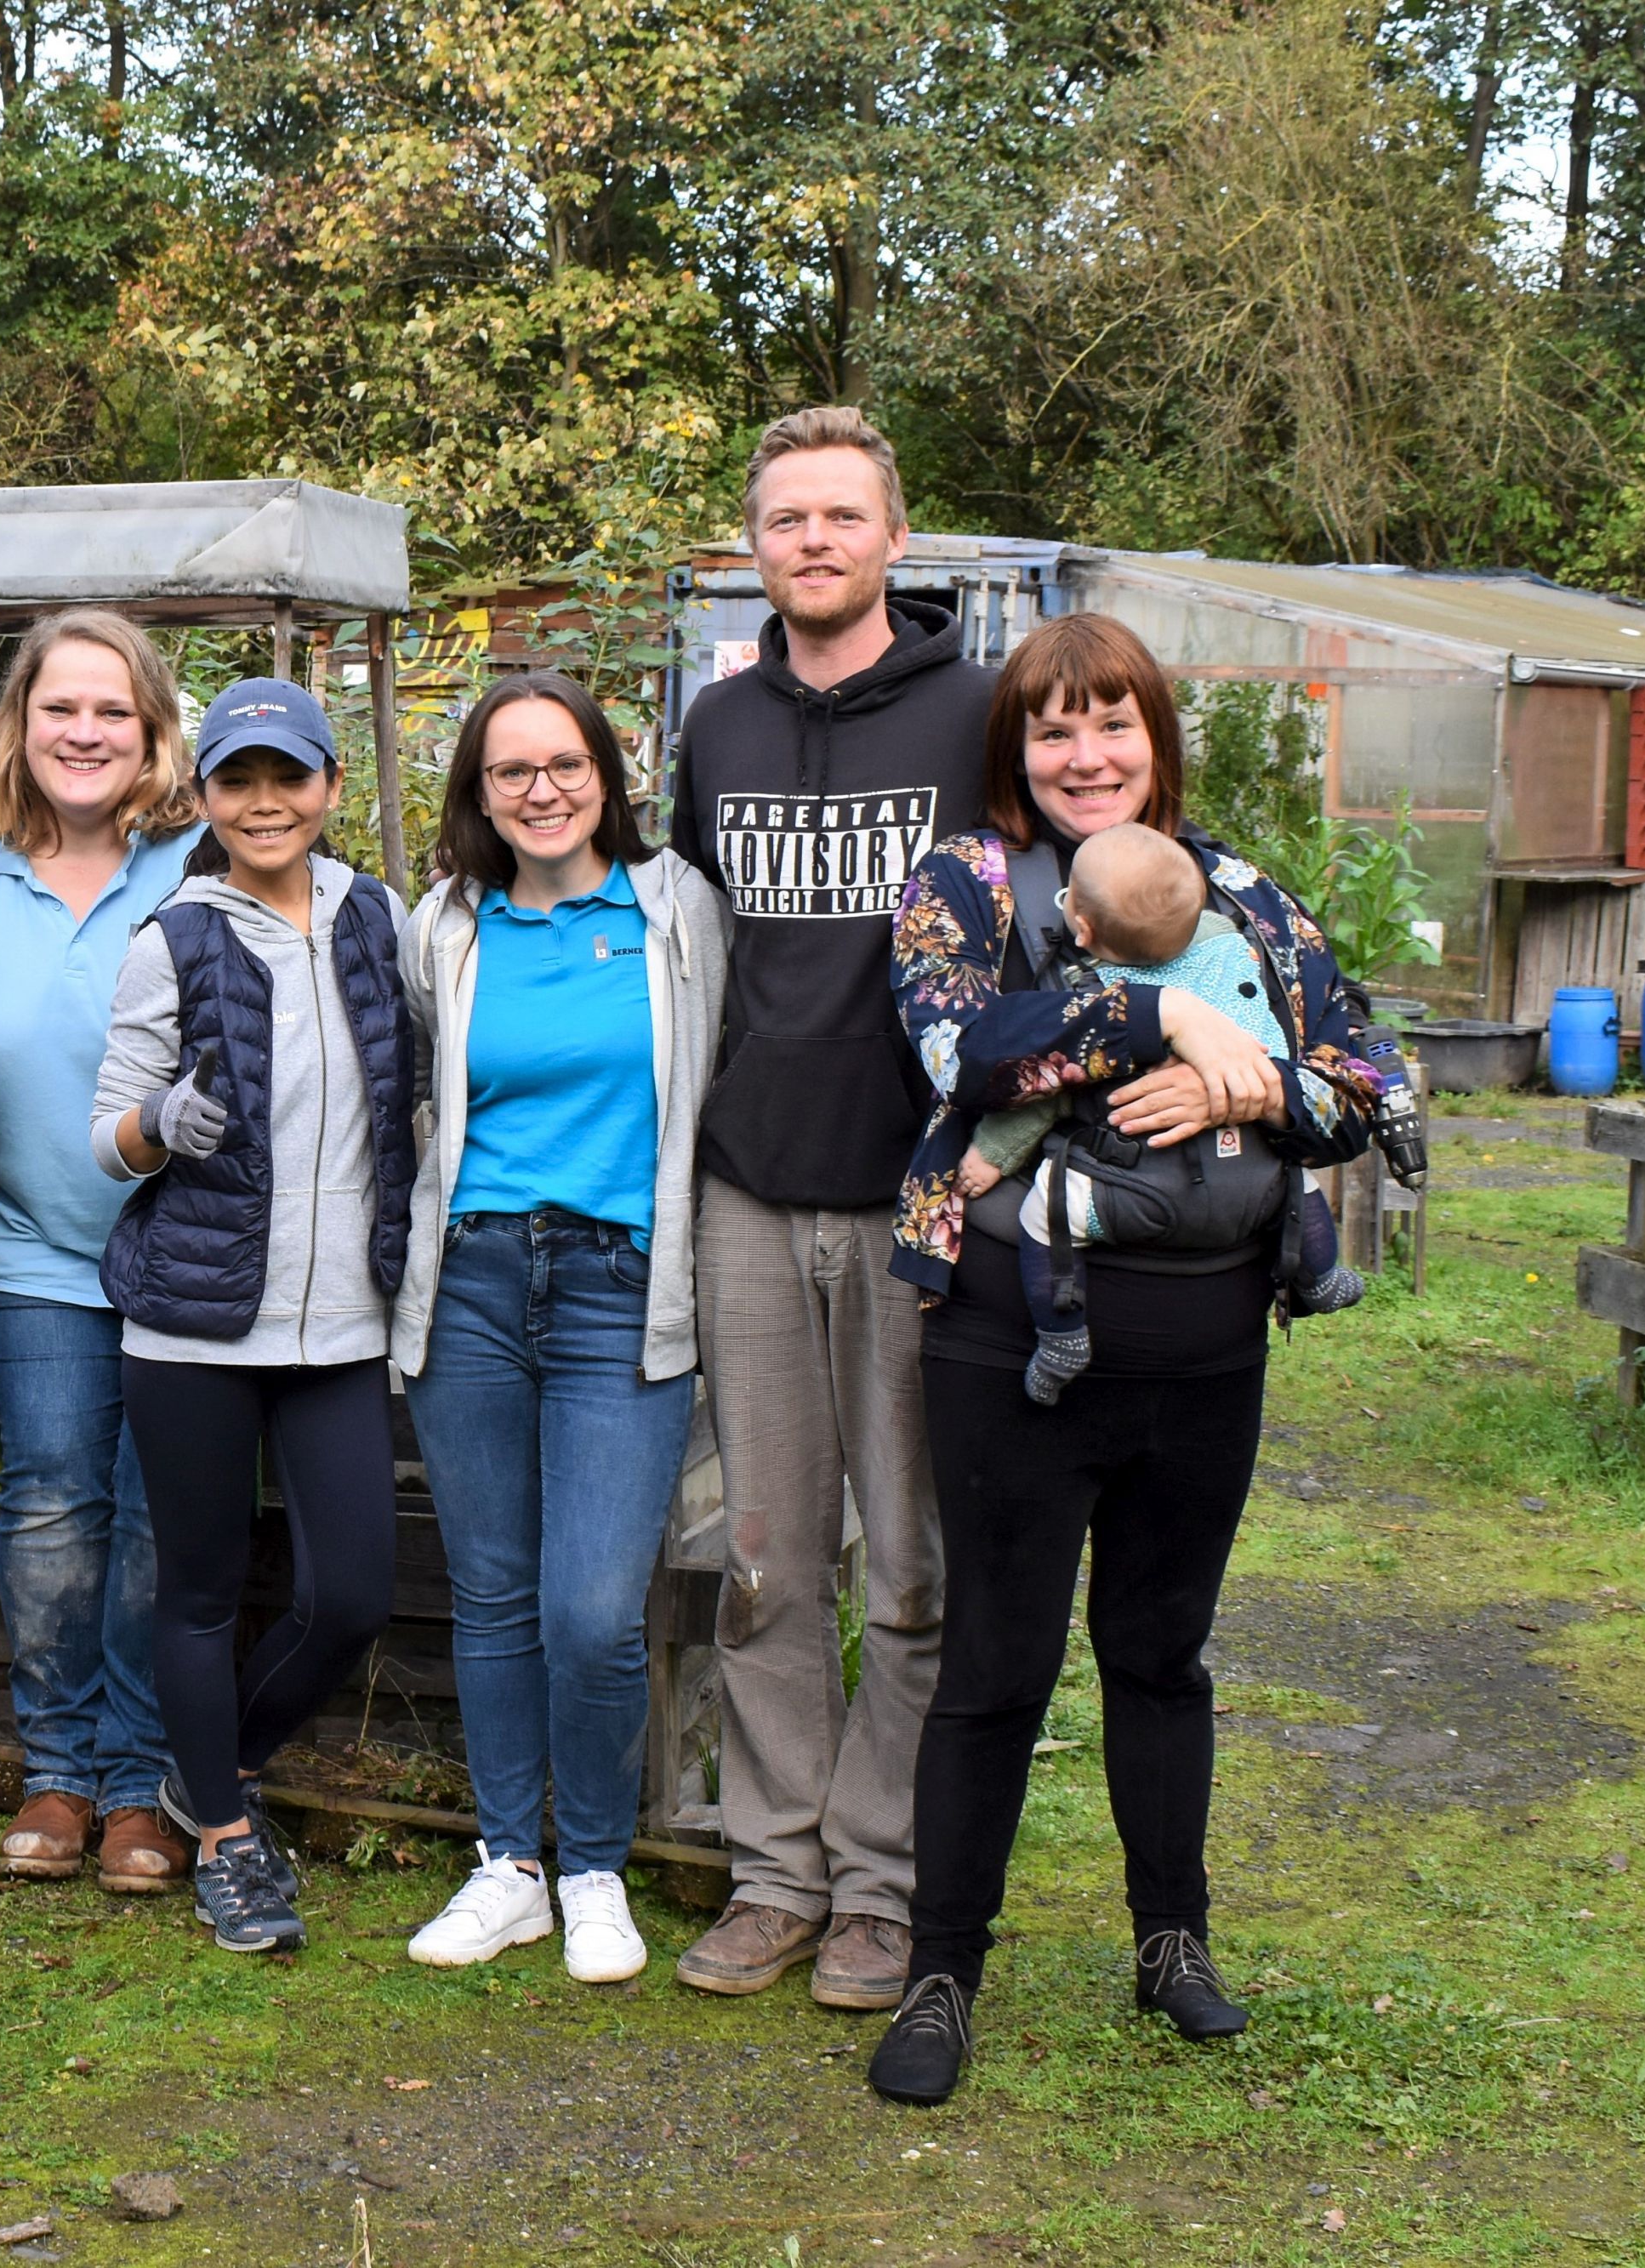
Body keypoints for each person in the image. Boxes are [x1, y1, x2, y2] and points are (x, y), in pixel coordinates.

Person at [866, 614, 1383, 2105]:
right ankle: (942, 1970)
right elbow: (960, 1050)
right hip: (1009, 1339)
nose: (1086, 755)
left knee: (1162, 1653)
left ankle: (1173, 1943)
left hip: (1209, 1348)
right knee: (997, 1665)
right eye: (1053, 729)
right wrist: (1157, 1014)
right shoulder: (963, 883)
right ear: (1015, 751)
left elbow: (1369, 1077)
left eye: (1114, 725)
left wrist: (1263, 1078)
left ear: (1157, 738)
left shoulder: (1245, 895)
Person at [666, 406, 989, 2015]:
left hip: (917, 1195)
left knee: (911, 1567)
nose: (812, 541)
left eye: (840, 516)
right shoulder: (715, 729)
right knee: (768, 1559)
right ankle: (775, 1868)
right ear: (755, 545)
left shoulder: (977, 719)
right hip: (748, 1188)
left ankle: (884, 1883)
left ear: (895, 535)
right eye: (784, 518)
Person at [393, 673, 726, 1983]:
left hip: (619, 1287)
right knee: (492, 1593)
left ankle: (592, 1863)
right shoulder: (447, 926)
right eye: (510, 770)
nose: (541, 789)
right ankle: (507, 1865)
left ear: (608, 772)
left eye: (564, 763)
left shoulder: (676, 913)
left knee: (591, 1607)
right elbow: (424, 1085)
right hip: (471, 1280)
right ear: (478, 792)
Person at [91, 676, 417, 1958]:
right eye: (240, 779)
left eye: (291, 775)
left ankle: (194, 1776)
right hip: (194, 1322)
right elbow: (102, 1143)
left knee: (352, 1595)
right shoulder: (170, 938)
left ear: (331, 787)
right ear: (207, 796)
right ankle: (226, 1836)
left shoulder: (378, 918)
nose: (266, 800)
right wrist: (158, 1124)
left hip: (341, 1321)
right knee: (202, 1591)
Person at [0, 612, 204, 1892]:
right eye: (60, 709)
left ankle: (149, 1773)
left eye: (112, 712)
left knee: (163, 1515)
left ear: (152, 731)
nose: (84, 733)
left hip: (188, 1248)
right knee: (51, 1499)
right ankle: (58, 1767)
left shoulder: (204, 859)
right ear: (15, 724)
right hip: (29, 1241)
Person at [954, 821, 1363, 1403]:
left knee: (1045, 1213)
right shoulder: (1232, 947)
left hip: (1132, 1189)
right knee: (1300, 1177)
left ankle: (1061, 1334)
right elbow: (1296, 1058)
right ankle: (1320, 1273)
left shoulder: (1093, 996)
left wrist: (989, 1157)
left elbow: (1048, 1095)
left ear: (1085, 929)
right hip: (1253, 1183)